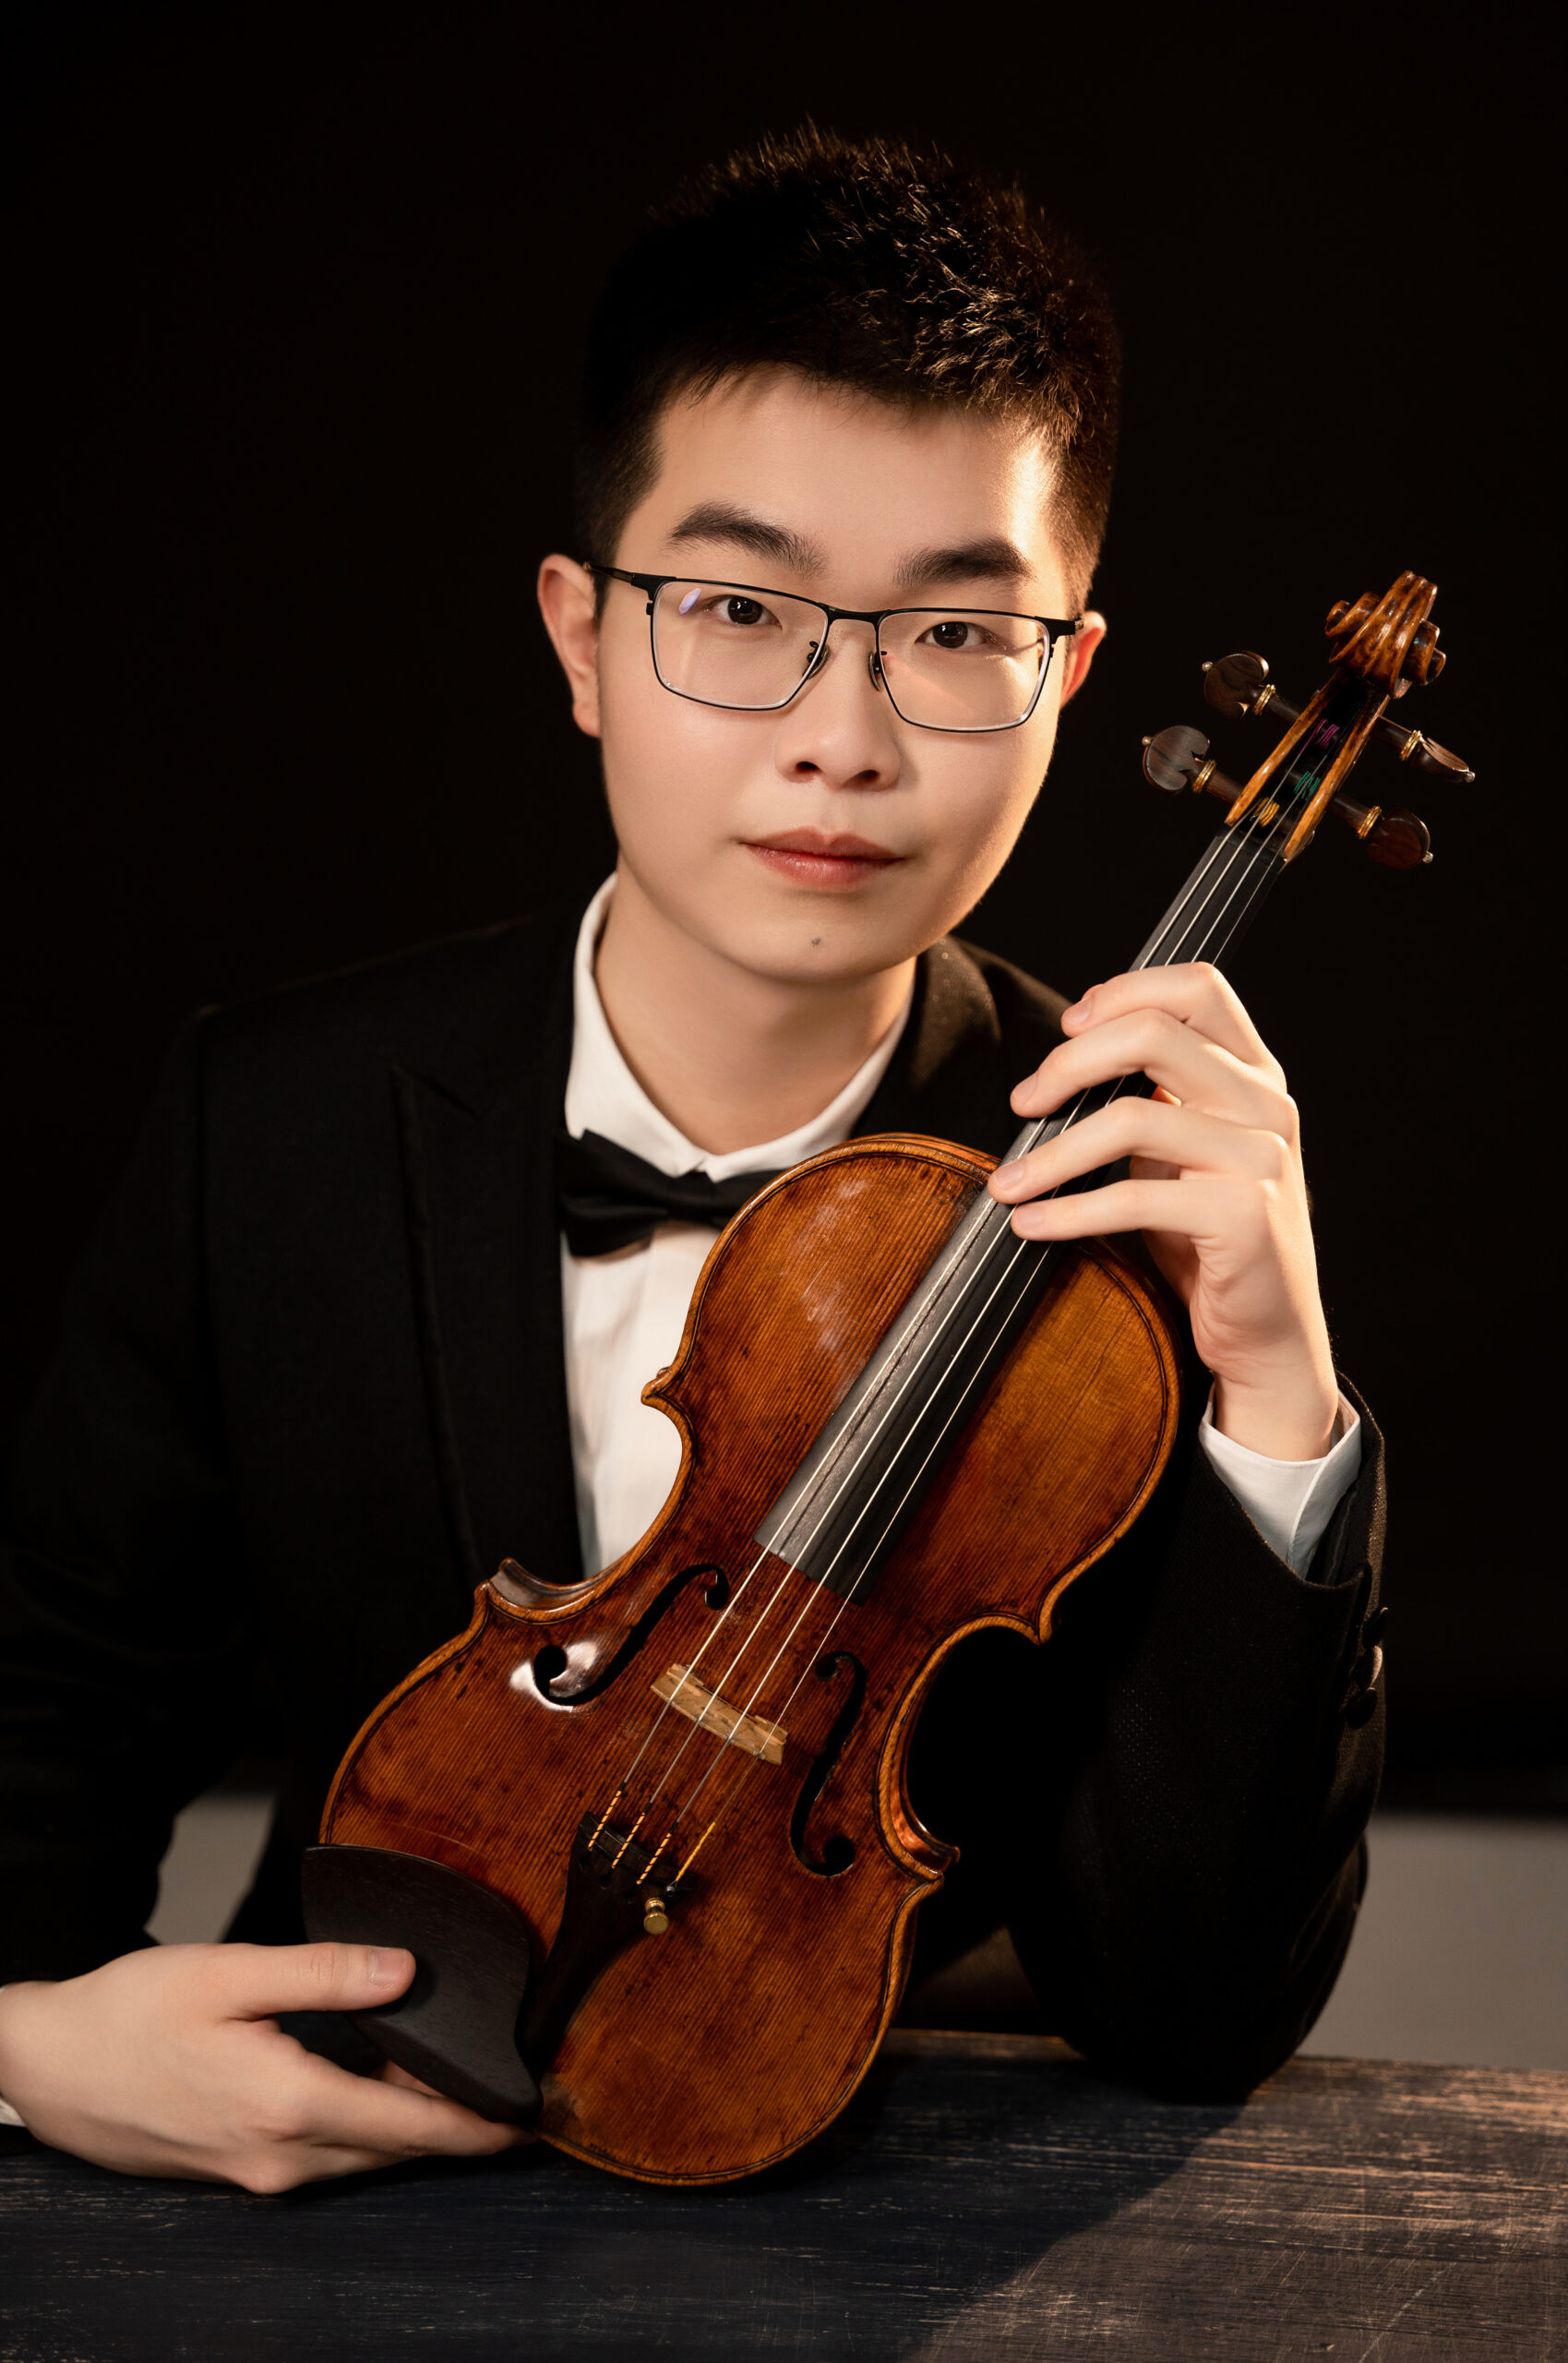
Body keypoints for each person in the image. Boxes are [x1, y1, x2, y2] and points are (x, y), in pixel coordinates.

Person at [0, 128, 1384, 2192]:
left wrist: (1279, 1403)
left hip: (892, 2192)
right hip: (322, 2179)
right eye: (737, 608)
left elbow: (1193, 2010)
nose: (842, 737)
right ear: (578, 636)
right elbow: (44, 1744)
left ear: (1068, 677)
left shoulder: (1144, 1206)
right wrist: (18, 2045)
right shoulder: (268, 1122)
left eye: (954, 634)